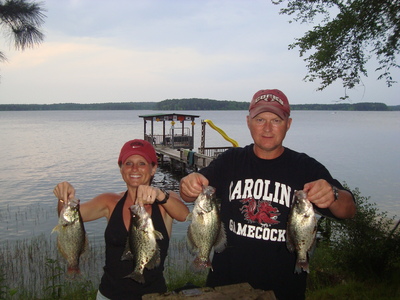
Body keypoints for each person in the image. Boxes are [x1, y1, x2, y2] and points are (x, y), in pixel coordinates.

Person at [179, 89, 356, 300]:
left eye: (276, 120)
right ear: (248, 121)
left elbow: (349, 210)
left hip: (283, 290)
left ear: (288, 124)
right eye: (260, 119)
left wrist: (333, 194)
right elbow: (189, 195)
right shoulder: (230, 160)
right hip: (227, 287)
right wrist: (188, 184)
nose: (267, 128)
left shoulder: (305, 167)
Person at [53, 139, 189, 300]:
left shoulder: (164, 202)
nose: (134, 169)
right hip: (110, 295)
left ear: (153, 169)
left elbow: (184, 215)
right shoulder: (109, 202)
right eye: (128, 163)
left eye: (142, 163)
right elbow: (67, 216)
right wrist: (63, 198)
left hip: (154, 295)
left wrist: (160, 194)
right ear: (121, 169)